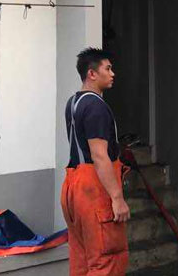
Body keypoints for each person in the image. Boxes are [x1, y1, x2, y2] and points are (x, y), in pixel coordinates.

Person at [61, 47, 130, 275]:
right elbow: (99, 155)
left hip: (73, 186)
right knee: (106, 260)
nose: (113, 74)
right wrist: (117, 199)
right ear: (92, 73)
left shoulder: (73, 103)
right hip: (93, 188)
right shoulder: (96, 107)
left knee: (82, 261)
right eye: (107, 69)